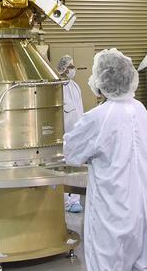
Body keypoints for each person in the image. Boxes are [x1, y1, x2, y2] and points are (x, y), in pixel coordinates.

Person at [64, 49, 147, 271]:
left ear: (101, 81)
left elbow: (71, 152)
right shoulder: (141, 109)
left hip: (111, 216)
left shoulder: (99, 117)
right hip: (142, 212)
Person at [57, 55, 84, 213]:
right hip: (65, 136)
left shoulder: (75, 86)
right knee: (65, 168)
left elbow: (79, 110)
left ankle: (75, 200)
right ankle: (66, 201)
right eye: (71, 66)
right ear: (63, 69)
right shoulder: (58, 87)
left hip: (77, 134)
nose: (73, 69)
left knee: (76, 168)